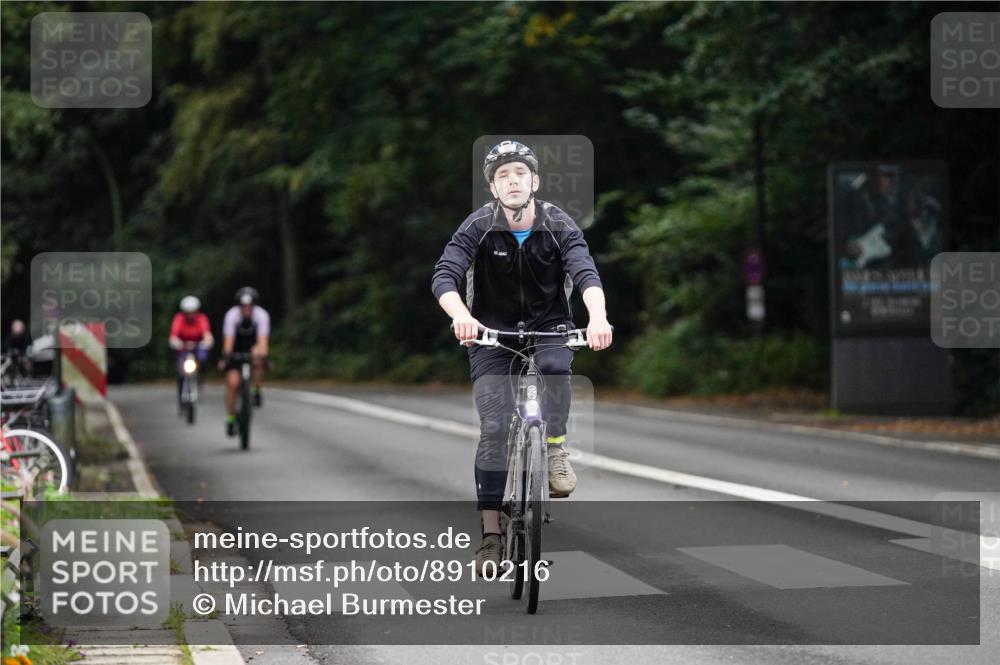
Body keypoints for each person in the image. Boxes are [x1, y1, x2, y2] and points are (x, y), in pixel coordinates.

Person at [431, 140, 613, 574]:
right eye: (502, 176)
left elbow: (584, 271)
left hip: (549, 326)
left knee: (554, 367)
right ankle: (491, 537)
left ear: (534, 181)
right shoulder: (478, 226)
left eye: (519, 174)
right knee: (494, 428)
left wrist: (599, 317)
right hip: (490, 334)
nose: (512, 181)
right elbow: (445, 274)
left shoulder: (557, 223)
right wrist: (462, 316)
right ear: (493, 188)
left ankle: (553, 447)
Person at [218, 287, 270, 436]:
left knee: (258, 356)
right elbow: (228, 341)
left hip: (253, 348)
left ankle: (256, 389)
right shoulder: (232, 316)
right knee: (233, 384)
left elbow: (263, 341)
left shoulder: (261, 316)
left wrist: (263, 355)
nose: (247, 309)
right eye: (244, 307)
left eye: (250, 306)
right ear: (239, 306)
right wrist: (226, 356)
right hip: (235, 349)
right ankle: (231, 417)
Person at [168, 296, 214, 409]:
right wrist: (175, 342)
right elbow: (173, 335)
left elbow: (206, 334)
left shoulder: (201, 318)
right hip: (183, 348)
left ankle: (200, 379)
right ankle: (181, 399)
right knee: (180, 372)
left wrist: (207, 341)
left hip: (198, 347)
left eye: (192, 312)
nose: (190, 315)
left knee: (202, 358)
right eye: (188, 312)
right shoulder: (179, 318)